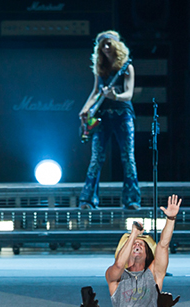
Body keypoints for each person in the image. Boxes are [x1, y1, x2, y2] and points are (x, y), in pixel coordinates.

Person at [100, 195, 181, 307]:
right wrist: (133, 234)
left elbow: (163, 245)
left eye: (141, 245)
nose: (137, 245)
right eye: (134, 244)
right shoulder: (113, 275)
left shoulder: (154, 273)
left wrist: (171, 219)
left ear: (148, 253)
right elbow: (118, 265)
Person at [78, 31, 139, 210]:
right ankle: (88, 200)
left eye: (108, 44)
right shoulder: (101, 68)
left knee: (128, 157)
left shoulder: (127, 67)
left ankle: (131, 200)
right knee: (96, 157)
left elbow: (129, 94)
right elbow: (96, 92)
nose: (105, 48)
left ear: (116, 45)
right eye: (102, 45)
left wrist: (116, 96)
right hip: (102, 116)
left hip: (123, 115)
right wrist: (85, 109)